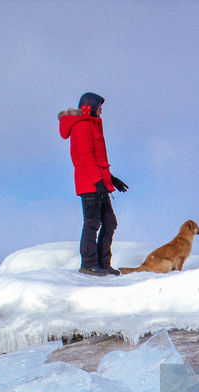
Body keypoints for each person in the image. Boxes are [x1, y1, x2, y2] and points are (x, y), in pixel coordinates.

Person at [59, 92, 128, 275]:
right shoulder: (82, 126)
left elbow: (96, 158)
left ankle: (103, 263)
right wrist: (97, 181)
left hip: (97, 182)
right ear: (90, 106)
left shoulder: (92, 124)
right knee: (92, 223)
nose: (101, 110)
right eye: (99, 106)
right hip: (89, 183)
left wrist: (111, 178)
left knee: (110, 222)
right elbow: (85, 157)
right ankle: (88, 264)